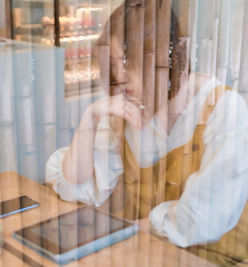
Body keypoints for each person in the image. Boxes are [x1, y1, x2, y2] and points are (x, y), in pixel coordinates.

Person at [46, 4, 248, 266]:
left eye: (128, 62)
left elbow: (203, 219)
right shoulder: (133, 109)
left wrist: (132, 229)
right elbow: (75, 188)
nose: (119, 76)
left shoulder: (224, 109)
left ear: (164, 59)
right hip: (148, 252)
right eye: (114, 64)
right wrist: (91, 118)